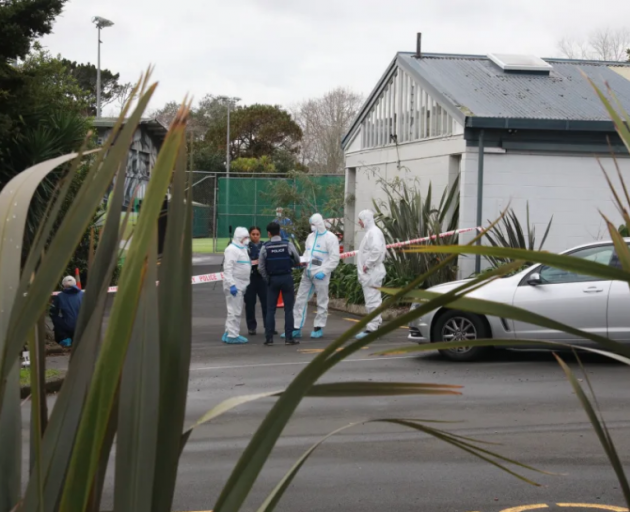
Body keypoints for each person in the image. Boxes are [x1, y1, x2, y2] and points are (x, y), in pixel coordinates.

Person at [284, 213, 340, 339]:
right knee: (300, 300)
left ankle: (318, 327)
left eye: (313, 224)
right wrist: (301, 261)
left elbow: (334, 259)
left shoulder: (330, 238)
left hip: (321, 274)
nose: (312, 227)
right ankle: (296, 327)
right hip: (308, 272)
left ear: (319, 224)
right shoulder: (310, 237)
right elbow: (307, 253)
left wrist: (324, 271)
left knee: (321, 300)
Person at [258, 222, 301, 346]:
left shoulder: (265, 247)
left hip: (273, 279)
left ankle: (269, 338)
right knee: (288, 309)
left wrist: (268, 279)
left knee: (270, 309)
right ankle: (289, 338)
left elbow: (261, 267)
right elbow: (297, 259)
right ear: (280, 231)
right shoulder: (287, 244)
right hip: (287, 278)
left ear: (269, 233)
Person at [355, 209, 387, 339]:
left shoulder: (373, 233)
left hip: (372, 272)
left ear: (366, 220)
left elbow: (376, 251)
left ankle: (372, 329)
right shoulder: (372, 232)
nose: (359, 222)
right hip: (371, 272)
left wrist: (367, 265)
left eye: (361, 220)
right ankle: (375, 323)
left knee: (372, 300)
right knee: (373, 299)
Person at [222, 227, 251, 344]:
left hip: (240, 284)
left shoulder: (242, 249)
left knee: (233, 309)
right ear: (239, 238)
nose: (247, 239)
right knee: (235, 310)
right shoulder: (232, 250)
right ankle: (232, 335)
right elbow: (228, 268)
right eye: (246, 237)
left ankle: (229, 332)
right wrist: (232, 284)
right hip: (235, 284)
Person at [245, 226, 268, 335]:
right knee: (250, 303)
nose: (255, 236)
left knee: (266, 303)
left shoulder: (264, 245)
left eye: (257, 234)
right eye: (253, 234)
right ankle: (251, 326)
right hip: (250, 278)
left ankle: (268, 326)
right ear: (250, 235)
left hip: (262, 278)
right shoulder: (246, 247)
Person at [49, 276, 84, 348]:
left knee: (57, 321)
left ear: (64, 285)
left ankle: (64, 339)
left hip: (67, 326)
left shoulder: (60, 296)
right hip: (81, 326)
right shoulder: (82, 294)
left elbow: (52, 312)